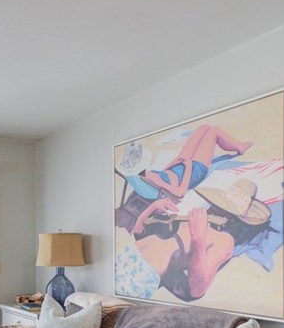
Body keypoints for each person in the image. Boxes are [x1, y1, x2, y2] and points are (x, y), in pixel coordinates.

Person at [114, 179, 271, 302]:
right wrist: (153, 207)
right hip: (126, 255)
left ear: (235, 218)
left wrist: (198, 237)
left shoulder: (225, 241)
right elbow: (138, 231)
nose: (214, 207)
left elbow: (197, 288)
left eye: (223, 207)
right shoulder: (202, 219)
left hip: (141, 274)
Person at [125, 124, 254, 200]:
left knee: (204, 128)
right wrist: (187, 166)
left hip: (178, 167)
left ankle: (230, 144)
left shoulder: (143, 176)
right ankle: (238, 146)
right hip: (193, 172)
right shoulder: (154, 182)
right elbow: (181, 192)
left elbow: (163, 174)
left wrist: (176, 161)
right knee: (214, 131)